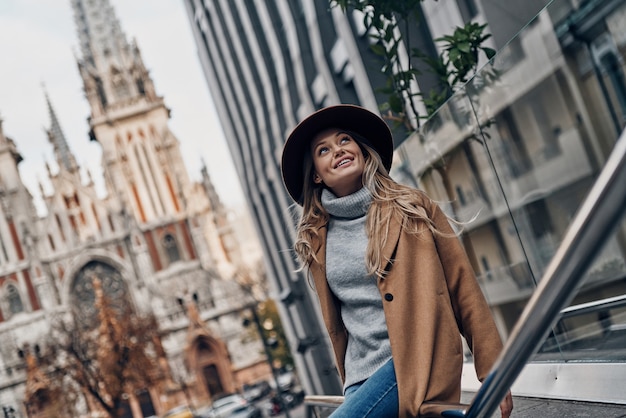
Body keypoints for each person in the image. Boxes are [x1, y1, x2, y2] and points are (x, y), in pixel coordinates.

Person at [280, 104, 514, 418]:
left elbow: (462, 287)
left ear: (362, 151)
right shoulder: (317, 239)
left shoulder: (411, 207)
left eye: (345, 140)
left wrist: (493, 369)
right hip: (358, 378)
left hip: (414, 358)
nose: (338, 150)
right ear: (317, 176)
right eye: (324, 150)